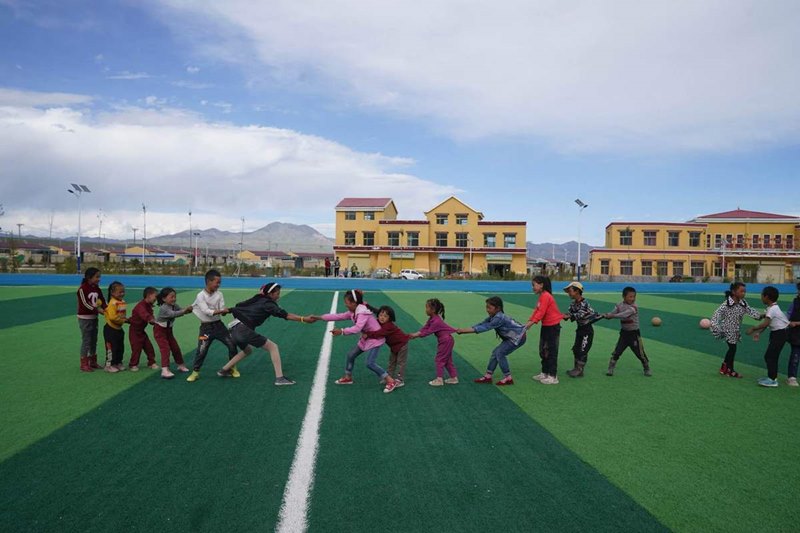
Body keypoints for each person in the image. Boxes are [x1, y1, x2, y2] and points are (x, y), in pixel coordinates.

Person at [217, 282, 312, 385]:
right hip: (242, 330)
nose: (278, 296)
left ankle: (224, 370)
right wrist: (303, 319)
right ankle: (280, 378)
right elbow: (286, 315)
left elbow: (237, 307)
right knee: (273, 347)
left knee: (247, 350)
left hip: (233, 329)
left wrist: (228, 310)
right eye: (277, 293)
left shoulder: (258, 299)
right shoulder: (268, 304)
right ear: (270, 294)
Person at [313, 289, 398, 393]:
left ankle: (390, 381)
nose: (345, 305)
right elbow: (338, 316)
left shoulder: (362, 312)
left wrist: (342, 331)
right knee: (351, 355)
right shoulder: (354, 311)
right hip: (366, 338)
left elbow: (357, 328)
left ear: (354, 303)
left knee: (370, 363)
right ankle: (348, 377)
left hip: (375, 339)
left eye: (347, 303)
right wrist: (318, 317)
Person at [457, 296, 526, 386]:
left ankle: (508, 378)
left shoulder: (498, 318)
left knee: (500, 353)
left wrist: (463, 331)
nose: (487, 310)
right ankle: (488, 376)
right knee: (495, 353)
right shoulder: (494, 316)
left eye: (489, 308)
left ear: (498, 308)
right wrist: (464, 329)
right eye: (486, 307)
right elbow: (482, 323)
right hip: (512, 337)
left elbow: (484, 327)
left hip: (518, 337)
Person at [187, 269, 240, 382]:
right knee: (202, 350)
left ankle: (232, 367)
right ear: (208, 282)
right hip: (206, 328)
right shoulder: (200, 296)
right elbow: (206, 311)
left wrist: (225, 312)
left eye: (220, 282)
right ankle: (195, 372)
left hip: (219, 326)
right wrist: (221, 311)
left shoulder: (219, 294)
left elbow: (222, 309)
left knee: (232, 344)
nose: (218, 285)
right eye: (217, 282)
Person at [710, 281, 763, 378]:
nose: (744, 293)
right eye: (741, 291)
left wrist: (761, 316)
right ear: (734, 292)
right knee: (732, 349)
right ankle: (731, 370)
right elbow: (716, 315)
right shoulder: (726, 304)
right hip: (727, 329)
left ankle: (724, 368)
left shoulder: (743, 303)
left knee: (731, 349)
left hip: (736, 330)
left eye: (744, 291)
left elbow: (750, 311)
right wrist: (716, 327)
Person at [603, 286, 652, 377]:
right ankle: (610, 368)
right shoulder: (619, 305)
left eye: (634, 296)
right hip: (624, 334)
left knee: (640, 353)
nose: (632, 299)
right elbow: (613, 312)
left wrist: (612, 316)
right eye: (630, 297)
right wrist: (608, 315)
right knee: (617, 351)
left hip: (634, 334)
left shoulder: (634, 307)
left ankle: (646, 368)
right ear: (624, 296)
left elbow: (624, 315)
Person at [746, 286, 789, 388]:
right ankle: (771, 377)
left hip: (780, 334)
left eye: (762, 295)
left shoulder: (772, 309)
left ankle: (773, 380)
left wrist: (753, 329)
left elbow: (765, 324)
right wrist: (758, 333)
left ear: (767, 297)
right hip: (777, 334)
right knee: (770, 356)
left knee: (770, 356)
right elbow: (768, 323)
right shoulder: (771, 308)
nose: (761, 297)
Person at [409, 298, 458, 387]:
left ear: (433, 310)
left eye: (427, 307)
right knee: (447, 360)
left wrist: (415, 336)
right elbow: (425, 328)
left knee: (439, 359)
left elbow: (428, 332)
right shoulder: (432, 318)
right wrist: (415, 334)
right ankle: (454, 378)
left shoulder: (436, 321)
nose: (425, 310)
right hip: (447, 340)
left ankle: (439, 380)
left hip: (445, 341)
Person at [526, 275, 562, 385]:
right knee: (543, 350)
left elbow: (541, 313)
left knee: (551, 351)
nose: (532, 287)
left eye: (534, 285)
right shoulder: (542, 296)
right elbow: (537, 310)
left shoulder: (546, 296)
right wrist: (530, 320)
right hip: (546, 326)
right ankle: (545, 372)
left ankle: (553, 376)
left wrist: (531, 323)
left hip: (552, 327)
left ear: (541, 285)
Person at [363, 305, 411, 387]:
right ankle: (389, 377)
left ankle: (400, 379)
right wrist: (367, 306)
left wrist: (368, 334)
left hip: (402, 345)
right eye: (381, 315)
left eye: (385, 316)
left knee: (400, 363)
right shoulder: (380, 321)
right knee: (391, 362)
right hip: (393, 346)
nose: (382, 317)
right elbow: (376, 310)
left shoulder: (388, 326)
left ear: (390, 318)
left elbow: (379, 334)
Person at [562, 281, 600, 378]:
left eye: (570, 291)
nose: (568, 293)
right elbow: (570, 313)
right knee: (576, 349)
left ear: (577, 291)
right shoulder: (573, 304)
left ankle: (579, 370)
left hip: (587, 330)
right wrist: (566, 315)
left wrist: (569, 316)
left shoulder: (584, 303)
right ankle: (576, 368)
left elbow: (579, 314)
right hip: (580, 329)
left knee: (583, 350)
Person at [154, 287, 193, 379]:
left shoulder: (174, 305)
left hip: (168, 331)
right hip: (159, 331)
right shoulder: (164, 308)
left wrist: (189, 310)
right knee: (165, 349)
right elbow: (173, 314)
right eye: (171, 297)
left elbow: (181, 311)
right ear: (164, 299)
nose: (174, 299)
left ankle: (180, 365)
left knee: (175, 348)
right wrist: (185, 310)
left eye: (175, 296)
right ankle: (165, 370)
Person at [76, 267, 106, 372]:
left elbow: (102, 300)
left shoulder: (97, 288)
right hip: (85, 318)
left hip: (94, 318)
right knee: (87, 340)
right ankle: (84, 363)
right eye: (97, 277)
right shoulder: (82, 289)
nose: (99, 279)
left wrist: (107, 309)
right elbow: (84, 304)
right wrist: (97, 310)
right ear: (89, 277)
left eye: (99, 277)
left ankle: (93, 361)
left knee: (94, 340)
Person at [128, 286, 159, 371]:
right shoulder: (141, 305)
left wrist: (152, 319)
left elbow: (150, 314)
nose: (156, 299)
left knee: (149, 347)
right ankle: (133, 364)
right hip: (134, 331)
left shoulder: (149, 305)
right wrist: (151, 319)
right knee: (136, 348)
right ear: (148, 295)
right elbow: (144, 314)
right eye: (155, 296)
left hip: (141, 331)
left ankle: (151, 362)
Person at [103, 281, 128, 373]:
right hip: (110, 329)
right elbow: (112, 317)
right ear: (112, 293)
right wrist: (123, 320)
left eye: (123, 291)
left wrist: (125, 319)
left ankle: (118, 362)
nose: (122, 294)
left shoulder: (122, 302)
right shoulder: (112, 303)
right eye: (120, 292)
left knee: (120, 347)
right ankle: (109, 365)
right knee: (111, 348)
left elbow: (122, 314)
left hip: (118, 329)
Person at [786, 282, 800, 387]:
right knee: (795, 354)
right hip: (796, 333)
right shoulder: (795, 303)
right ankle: (792, 377)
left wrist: (797, 323)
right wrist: (788, 323)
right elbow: (788, 315)